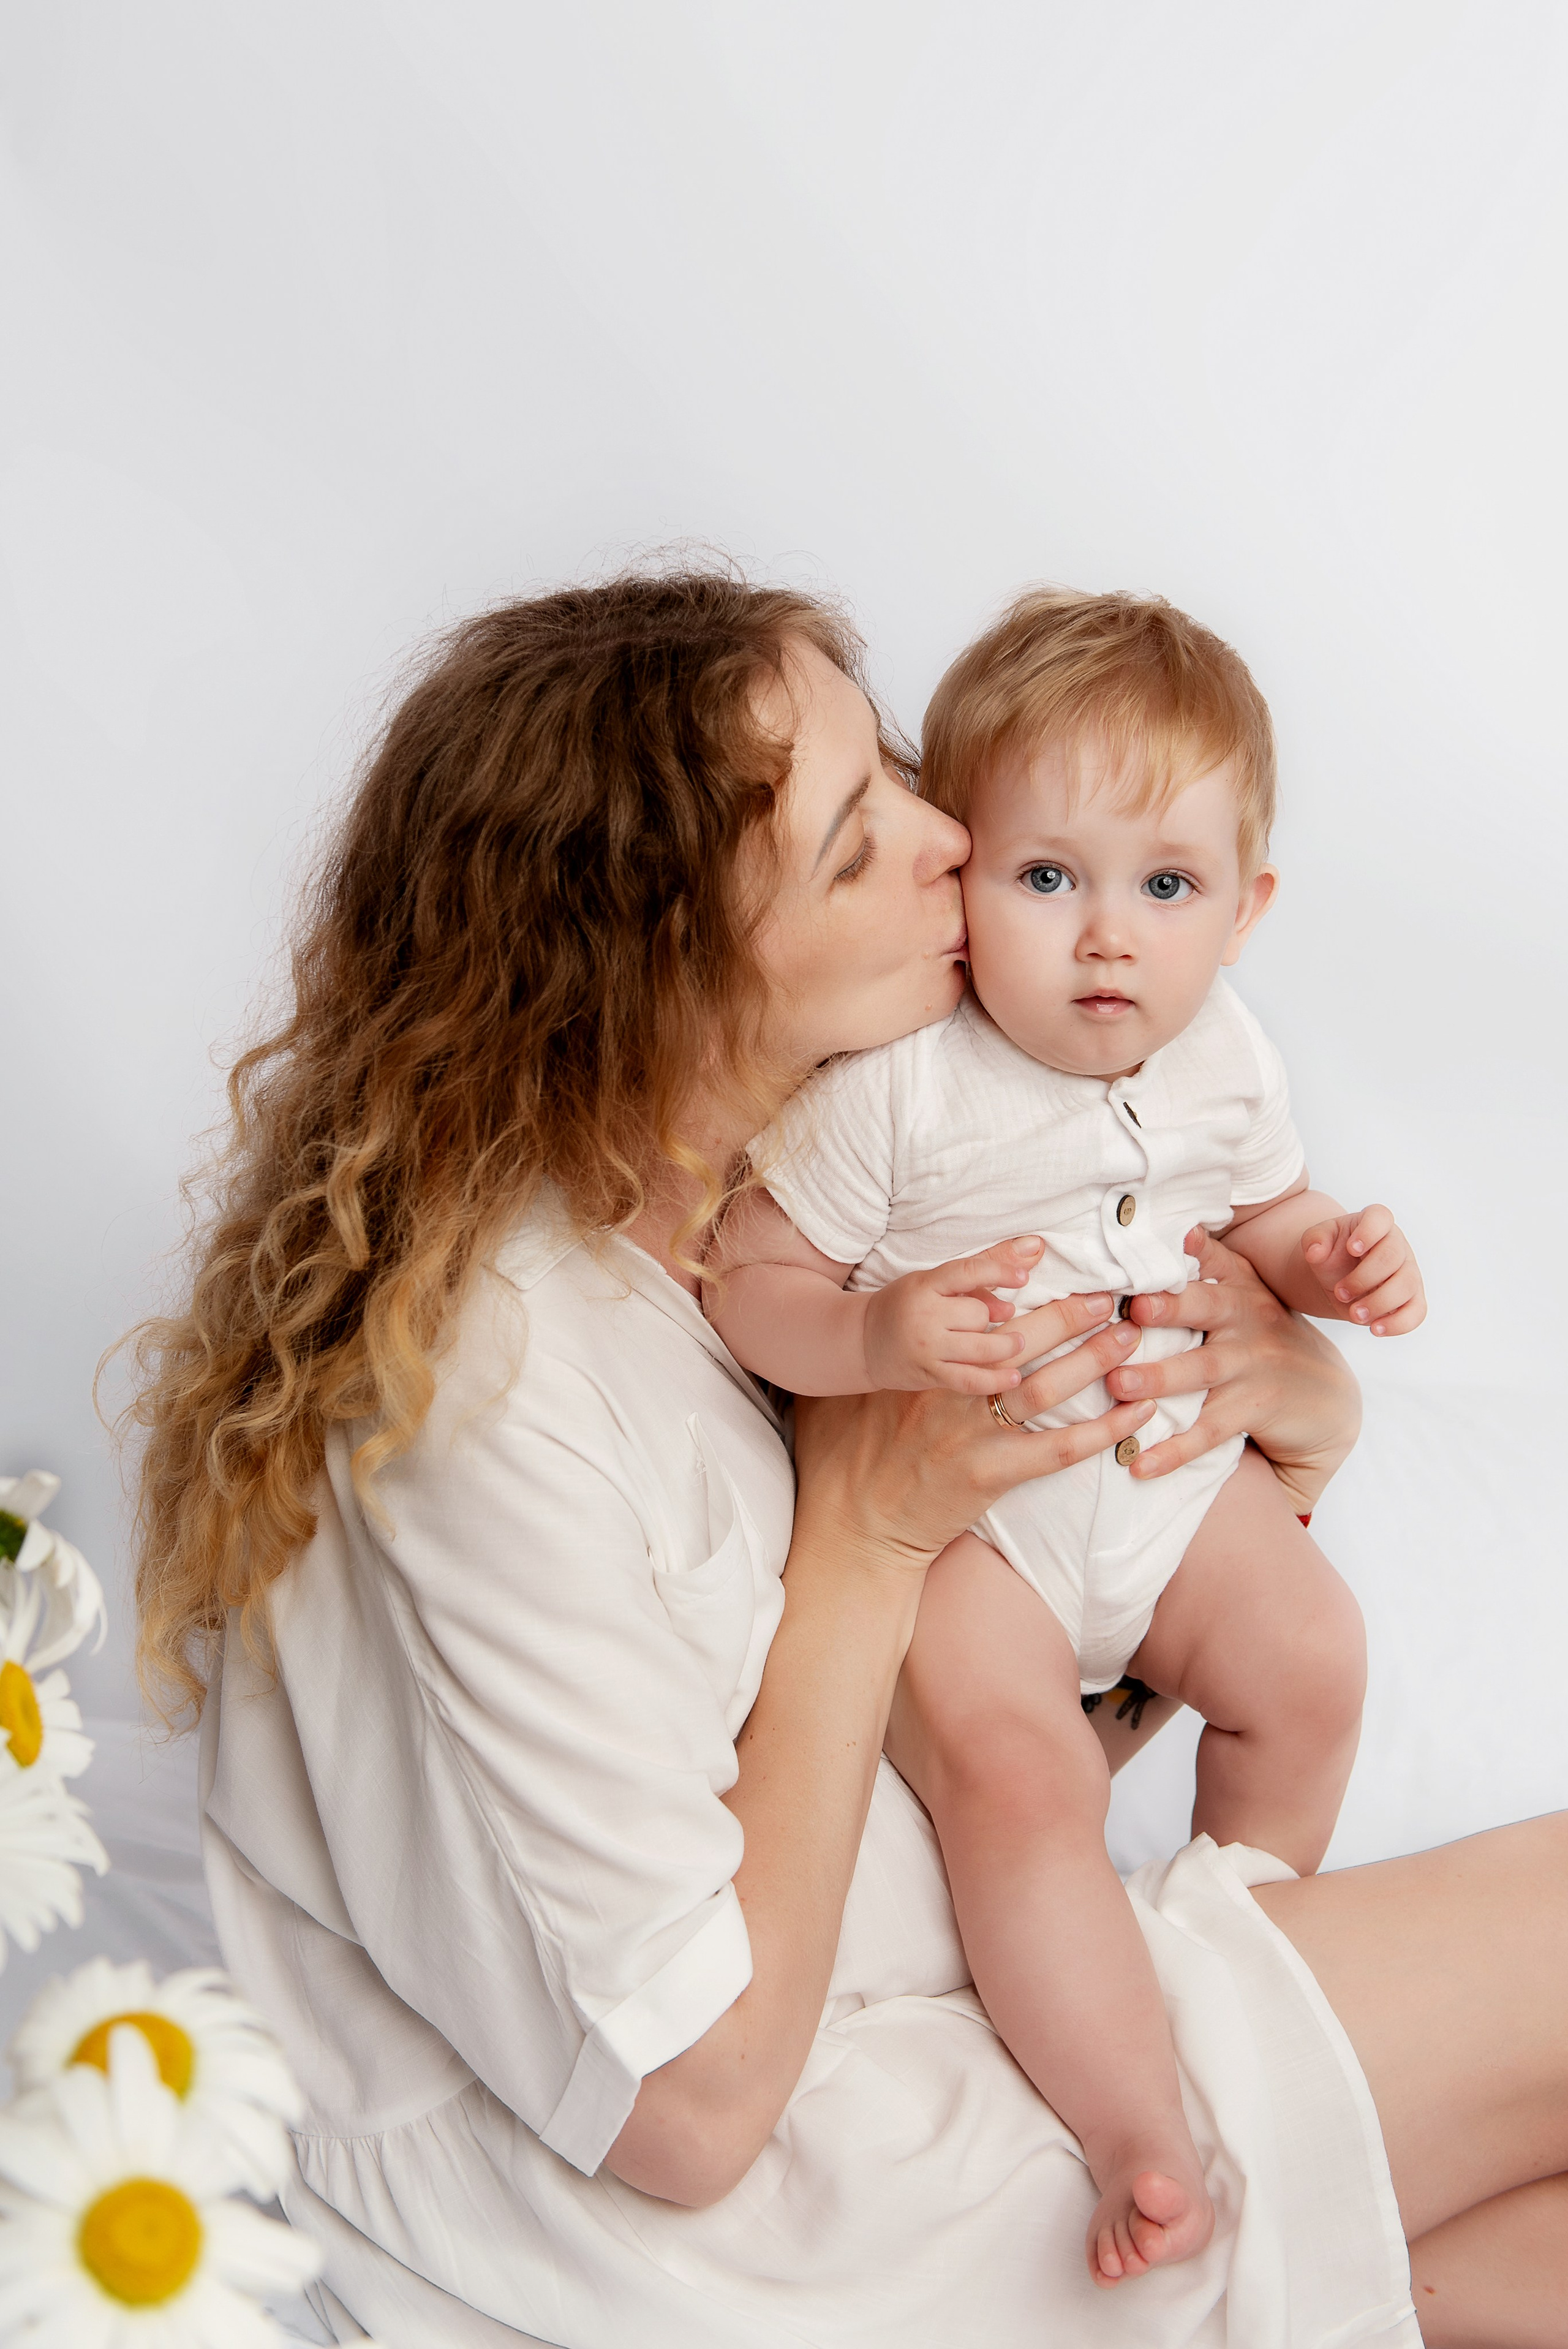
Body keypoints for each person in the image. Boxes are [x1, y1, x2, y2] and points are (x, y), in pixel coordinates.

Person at [128, 571, 1568, 2349]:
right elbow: (688, 2105)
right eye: (851, 840)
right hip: (778, 2212)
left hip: (973, 2022)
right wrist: (869, 1536)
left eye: (890, 773)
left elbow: (1045, 1702)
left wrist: (1287, 1418)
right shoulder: (480, 1391)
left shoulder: (772, 1211)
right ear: (664, 974)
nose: (953, 835)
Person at [706, 588, 1427, 2287]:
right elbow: (757, 1278)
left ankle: (1241, 1943)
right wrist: (873, 1331)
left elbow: (1265, 1213)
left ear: (1243, 908)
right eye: (1050, 879)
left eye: (1164, 888)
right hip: (976, 1539)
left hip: (1168, 1482)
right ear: (967, 883)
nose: (1110, 940)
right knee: (1020, 1780)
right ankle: (1137, 2128)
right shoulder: (898, 1082)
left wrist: (1327, 1257)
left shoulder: (1225, 1059)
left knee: (1313, 1654)